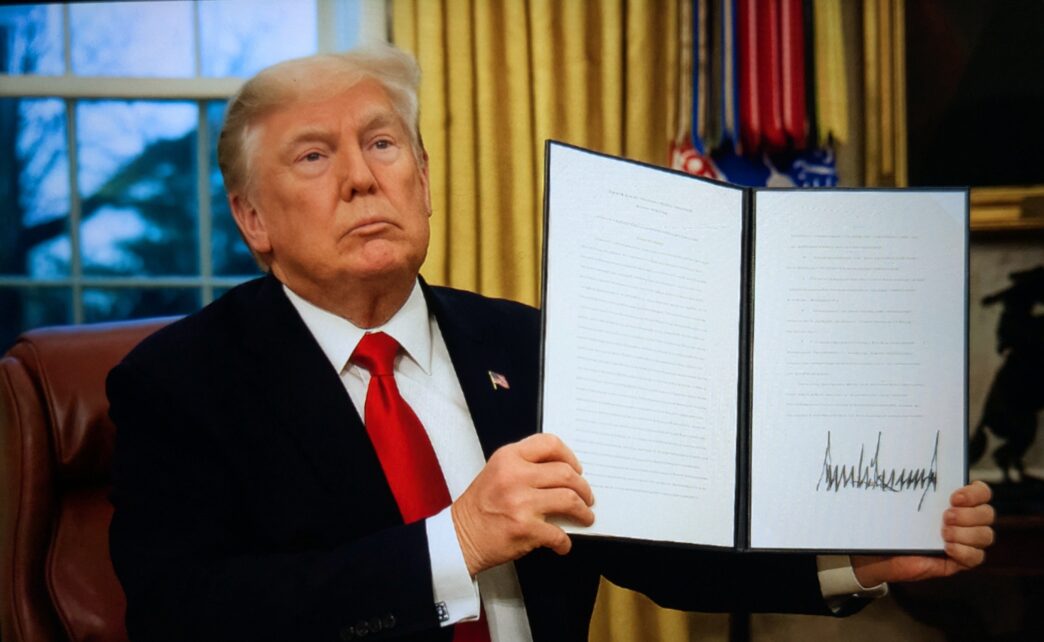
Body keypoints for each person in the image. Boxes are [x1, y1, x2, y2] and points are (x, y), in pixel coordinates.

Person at [107, 44, 995, 642]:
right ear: (251, 217)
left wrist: (853, 560)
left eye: (382, 144)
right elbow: (186, 612)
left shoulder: (531, 344)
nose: (359, 178)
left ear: (424, 181)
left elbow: (654, 545)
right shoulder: (179, 384)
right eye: (312, 156)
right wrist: (455, 542)